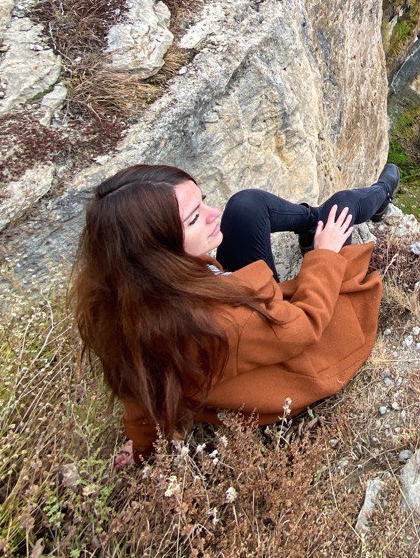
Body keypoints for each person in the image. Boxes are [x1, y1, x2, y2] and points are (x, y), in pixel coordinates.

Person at [70, 162, 399, 464]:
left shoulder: (126, 298)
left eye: (203, 201)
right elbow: (306, 325)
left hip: (243, 318)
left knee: (245, 206)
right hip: (297, 360)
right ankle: (382, 197)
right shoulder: (223, 324)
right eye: (195, 218)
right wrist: (323, 254)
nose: (213, 213)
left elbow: (136, 387)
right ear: (158, 251)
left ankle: (313, 222)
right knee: (341, 208)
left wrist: (141, 446)